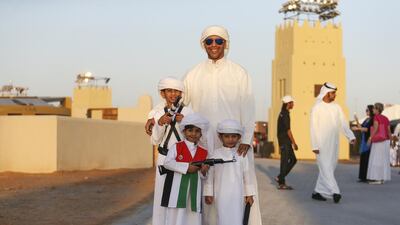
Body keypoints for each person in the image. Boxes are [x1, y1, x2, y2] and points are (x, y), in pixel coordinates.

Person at [183, 25, 262, 225]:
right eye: (209, 41)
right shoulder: (193, 74)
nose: (214, 45)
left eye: (219, 41)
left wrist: (246, 139)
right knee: (206, 189)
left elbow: (249, 108)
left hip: (235, 141)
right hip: (205, 142)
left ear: (226, 44)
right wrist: (154, 114)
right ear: (203, 45)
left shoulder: (239, 72)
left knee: (240, 188)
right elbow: (178, 101)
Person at [150, 77, 193, 225]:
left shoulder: (188, 112)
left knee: (181, 198)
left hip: (183, 160)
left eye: (176, 91)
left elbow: (196, 136)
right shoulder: (156, 113)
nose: (173, 94)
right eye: (169, 91)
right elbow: (154, 140)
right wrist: (160, 123)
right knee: (162, 197)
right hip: (163, 158)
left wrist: (185, 122)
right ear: (162, 94)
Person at [310, 82, 356, 203]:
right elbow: (313, 127)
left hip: (334, 144)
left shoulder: (337, 107)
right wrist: (314, 145)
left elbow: (343, 123)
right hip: (320, 144)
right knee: (325, 167)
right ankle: (335, 192)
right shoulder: (317, 108)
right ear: (326, 93)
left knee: (329, 168)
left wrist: (350, 136)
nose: (335, 95)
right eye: (333, 93)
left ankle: (317, 192)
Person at [204, 119, 255, 225]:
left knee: (237, 217)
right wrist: (208, 192)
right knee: (222, 217)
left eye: (234, 136)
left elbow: (247, 175)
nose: (230, 139)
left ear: (239, 137)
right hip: (220, 193)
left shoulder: (241, 154)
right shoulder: (215, 154)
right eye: (227, 136)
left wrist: (249, 194)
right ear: (220, 137)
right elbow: (210, 176)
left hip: (238, 194)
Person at [162, 113, 210, 225]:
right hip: (177, 189)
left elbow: (203, 175)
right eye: (190, 130)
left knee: (192, 217)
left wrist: (203, 172)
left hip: (194, 191)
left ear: (201, 133)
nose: (193, 134)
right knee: (176, 218)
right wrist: (187, 167)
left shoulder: (203, 152)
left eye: (197, 131)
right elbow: (167, 163)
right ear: (184, 131)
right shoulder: (177, 146)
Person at [276, 95, 298, 190]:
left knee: (293, 160)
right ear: (288, 104)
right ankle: (281, 182)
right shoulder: (284, 114)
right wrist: (294, 143)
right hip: (285, 142)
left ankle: (280, 177)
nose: (293, 104)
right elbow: (288, 130)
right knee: (284, 162)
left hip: (285, 141)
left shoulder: (284, 113)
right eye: (292, 102)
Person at [367, 102, 392, 184]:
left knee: (376, 158)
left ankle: (377, 178)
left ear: (377, 109)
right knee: (383, 159)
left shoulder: (376, 117)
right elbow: (388, 131)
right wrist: (391, 140)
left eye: (374, 108)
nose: (373, 109)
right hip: (386, 141)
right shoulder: (386, 118)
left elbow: (376, 128)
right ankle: (381, 178)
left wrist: (370, 138)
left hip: (378, 141)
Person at [351, 105, 374, 182]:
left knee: (367, 158)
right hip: (364, 140)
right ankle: (362, 177)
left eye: (367, 110)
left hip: (368, 140)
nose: (366, 111)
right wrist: (357, 120)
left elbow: (367, 129)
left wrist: (357, 128)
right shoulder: (367, 119)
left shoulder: (372, 119)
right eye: (366, 110)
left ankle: (367, 177)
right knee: (363, 158)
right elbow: (362, 128)